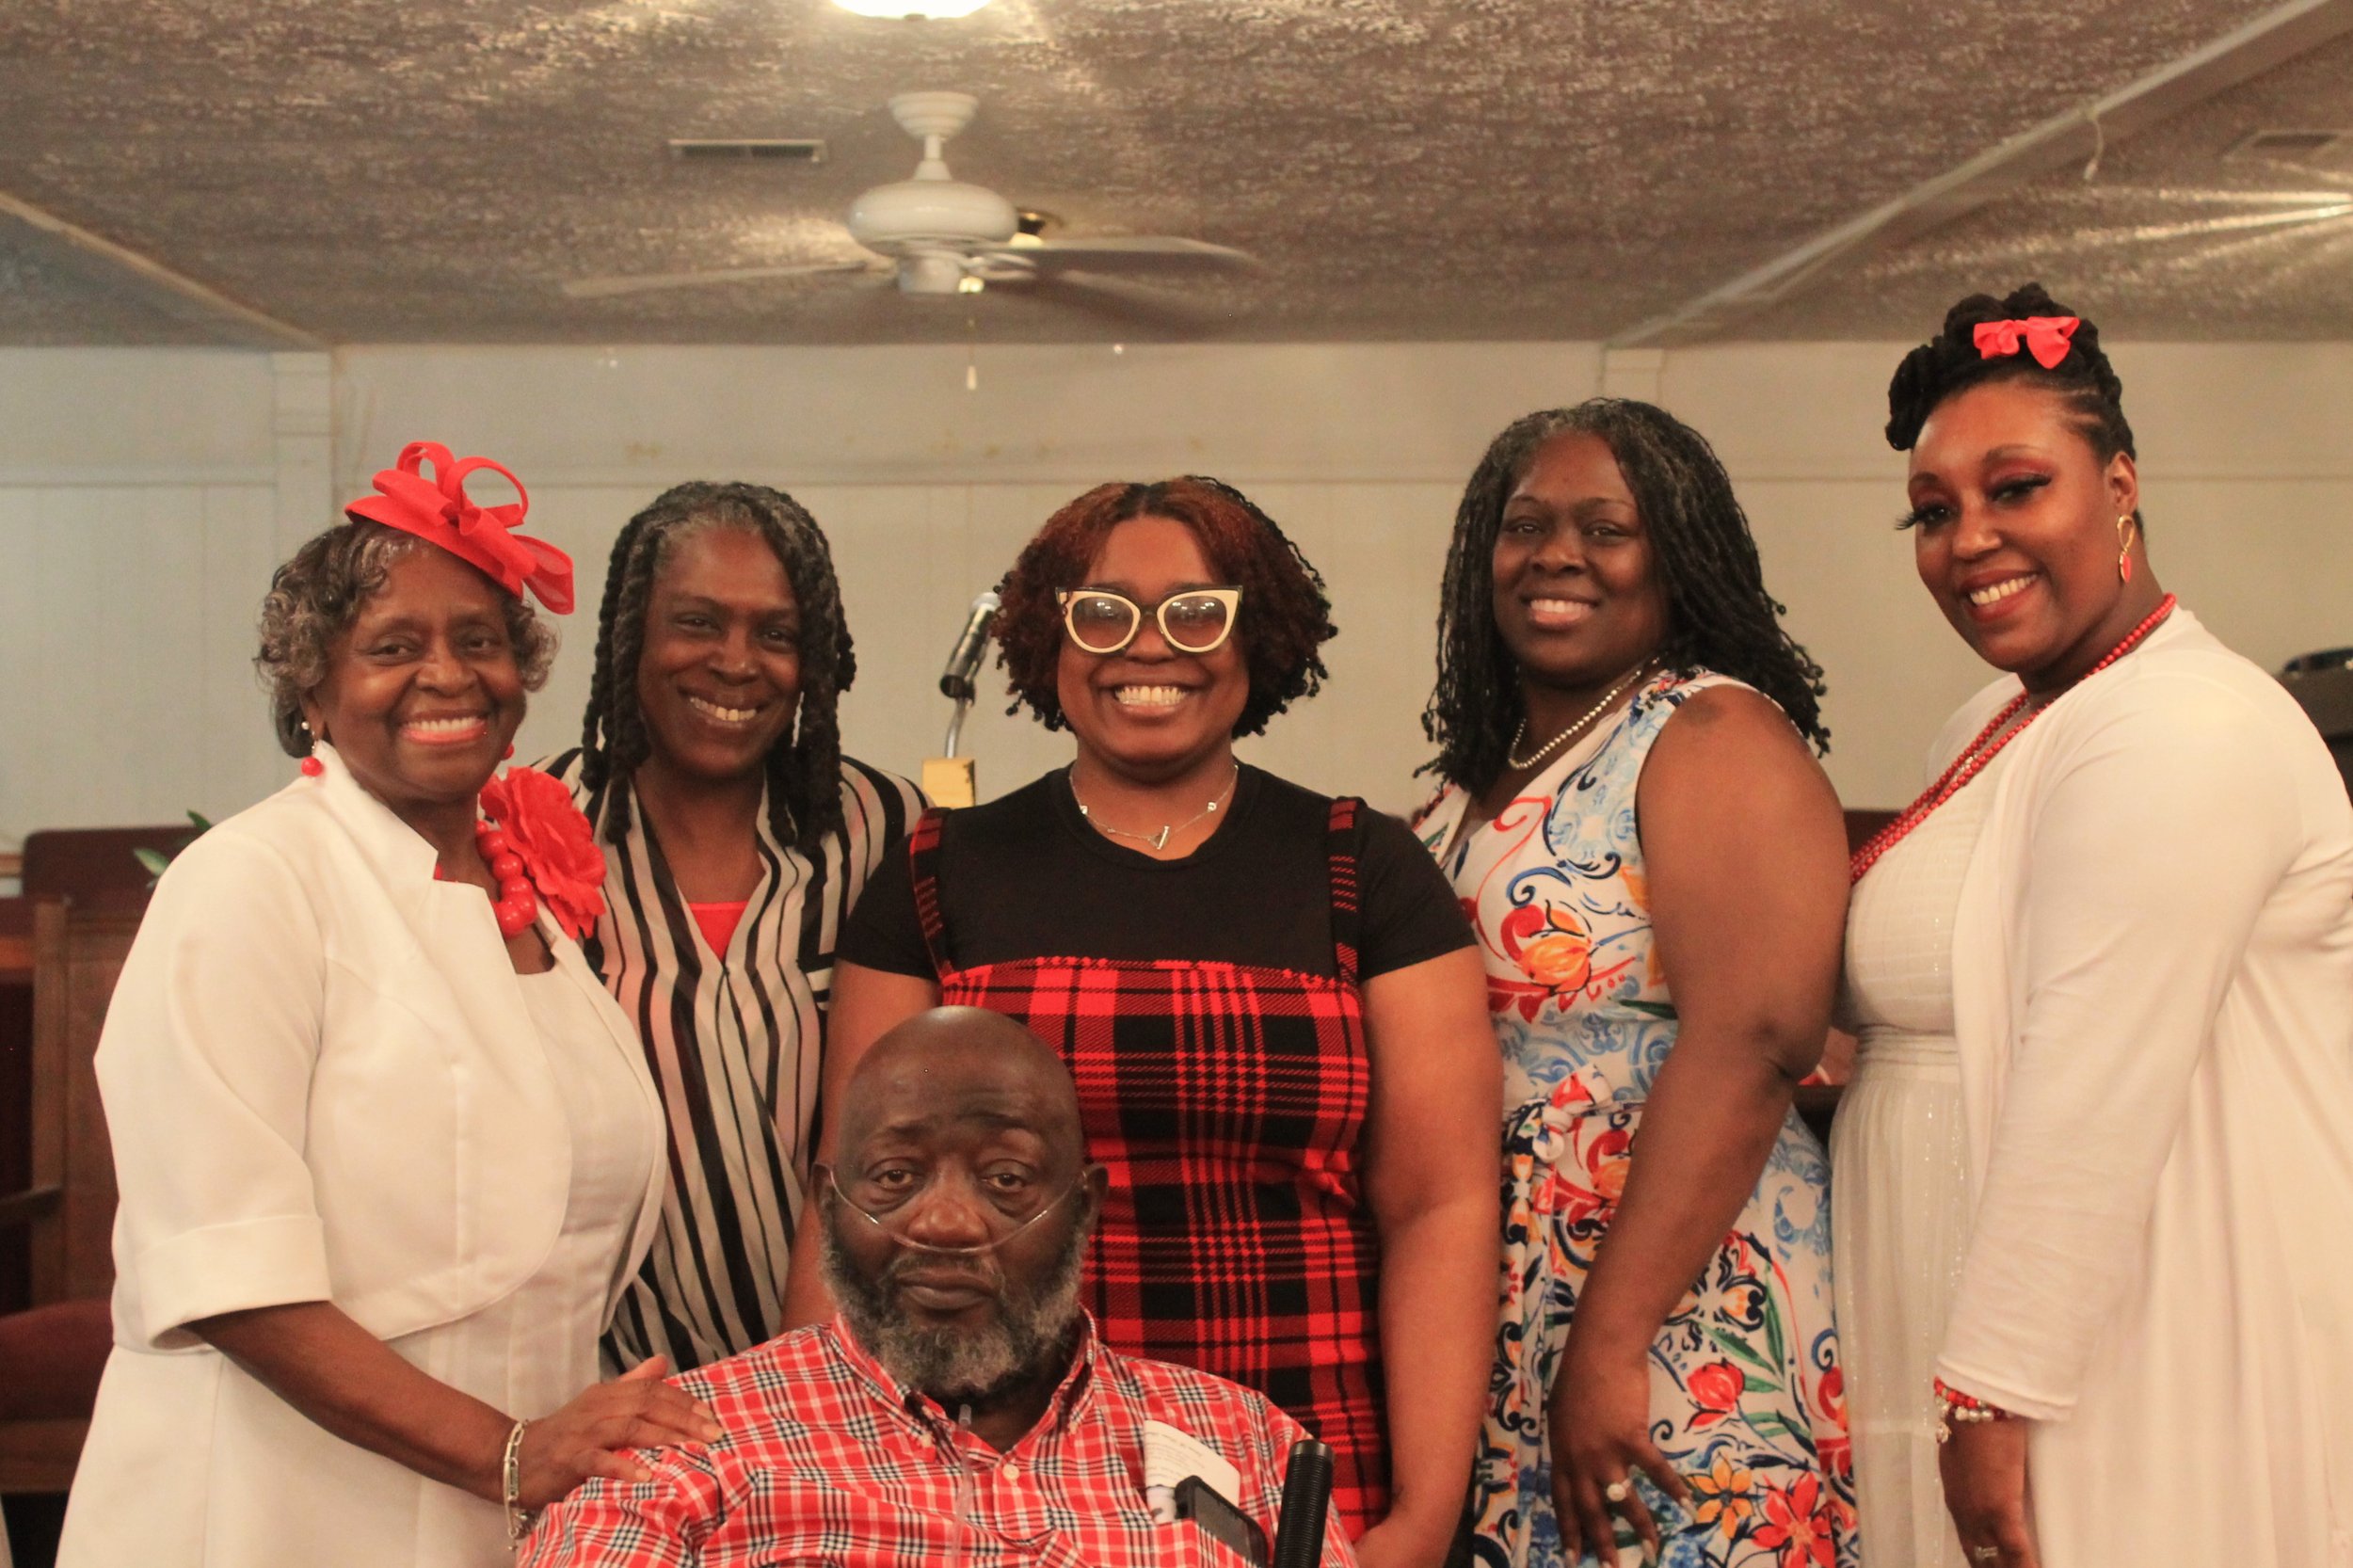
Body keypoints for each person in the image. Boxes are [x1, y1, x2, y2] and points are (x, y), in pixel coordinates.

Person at [805, 477, 1500, 1565]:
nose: (1147, 646)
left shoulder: (1364, 869)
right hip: (990, 1480)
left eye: (1194, 612)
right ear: (1048, 638)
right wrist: (829, 1481)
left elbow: (1440, 1208)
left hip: (1302, 1471)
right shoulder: (936, 877)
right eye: (1102, 612)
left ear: (1253, 633)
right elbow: (855, 1208)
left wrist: (1418, 1519)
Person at [57, 442, 720, 1568]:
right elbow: (227, 1277)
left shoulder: (527, 902)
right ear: (310, 687)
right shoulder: (252, 884)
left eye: (481, 642)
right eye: (393, 647)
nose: (449, 675)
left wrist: (538, 1456)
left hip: (499, 1505)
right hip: (277, 1506)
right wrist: (511, 1452)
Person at [1835, 284, 2353, 1568]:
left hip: (2130, 1346)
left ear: (2120, 484)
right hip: (1957, 1331)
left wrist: (1994, 1392)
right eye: (1936, 509)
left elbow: (2093, 1077)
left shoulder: (2182, 722)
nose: (1971, 539)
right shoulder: (2000, 716)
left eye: (2018, 487)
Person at [1413, 401, 1855, 1568]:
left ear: (1679, 557)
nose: (1556, 554)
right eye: (1525, 525)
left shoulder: (1707, 733)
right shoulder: (1474, 777)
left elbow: (1755, 1039)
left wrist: (1607, 1345)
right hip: (1517, 1303)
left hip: (1679, 1304)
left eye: (1605, 527)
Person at [520, 1007, 1356, 1568]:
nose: (948, 1223)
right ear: (828, 1204)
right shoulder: (678, 1454)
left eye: (1006, 1178)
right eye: (895, 1175)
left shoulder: (1253, 1448)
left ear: (1084, 1210)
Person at [542, 481, 920, 1372]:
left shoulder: (883, 830)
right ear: (634, 633)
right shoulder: (536, 825)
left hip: (855, 1375)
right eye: (698, 623)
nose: (736, 661)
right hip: (601, 1384)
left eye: (776, 634)